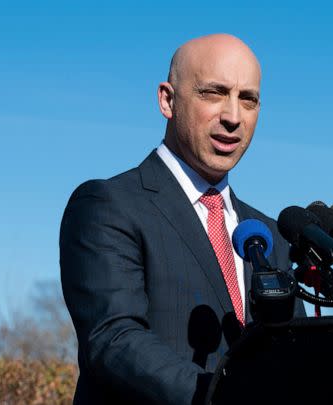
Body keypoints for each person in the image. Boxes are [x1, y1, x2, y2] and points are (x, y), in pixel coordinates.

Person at [60, 33, 305, 405]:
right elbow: (113, 340)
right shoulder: (107, 205)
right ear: (167, 100)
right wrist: (223, 396)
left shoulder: (269, 234)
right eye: (213, 93)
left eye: (248, 99)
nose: (233, 117)